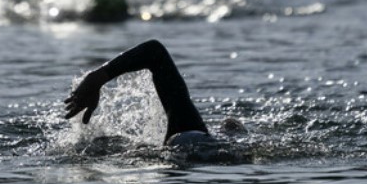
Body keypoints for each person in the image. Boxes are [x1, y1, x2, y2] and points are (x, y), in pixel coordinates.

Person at [64, 40, 247, 155]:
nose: (226, 124)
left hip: (183, 144)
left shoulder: (194, 131)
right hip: (184, 147)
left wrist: (98, 77)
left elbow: (154, 51)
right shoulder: (229, 147)